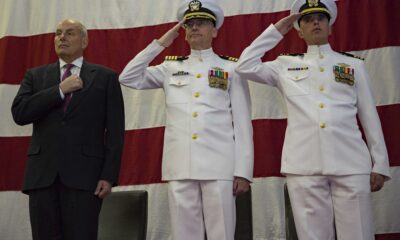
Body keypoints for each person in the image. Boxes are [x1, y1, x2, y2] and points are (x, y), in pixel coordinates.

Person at [235, 0, 391, 239]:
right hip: (304, 165)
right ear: (299, 29)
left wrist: (380, 163)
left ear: (330, 26)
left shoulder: (352, 65)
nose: (315, 22)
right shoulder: (284, 65)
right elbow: (244, 66)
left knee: (358, 233)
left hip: (350, 162)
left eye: (321, 18)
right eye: (307, 19)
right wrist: (277, 30)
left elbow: (369, 115)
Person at [119, 0, 253, 239]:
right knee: (184, 234)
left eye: (201, 23)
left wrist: (243, 170)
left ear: (214, 31)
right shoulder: (170, 68)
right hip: (180, 165)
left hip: (219, 166)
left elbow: (243, 123)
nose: (194, 28)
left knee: (221, 233)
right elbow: (128, 77)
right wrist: (160, 44)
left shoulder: (231, 69)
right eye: (189, 24)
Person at [11, 19, 125, 240]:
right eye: (58, 33)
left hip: (86, 179)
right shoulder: (35, 76)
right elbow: (20, 113)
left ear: (84, 41)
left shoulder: (105, 77)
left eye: (70, 33)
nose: (62, 37)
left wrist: (108, 176)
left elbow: (115, 132)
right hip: (42, 178)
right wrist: (59, 90)